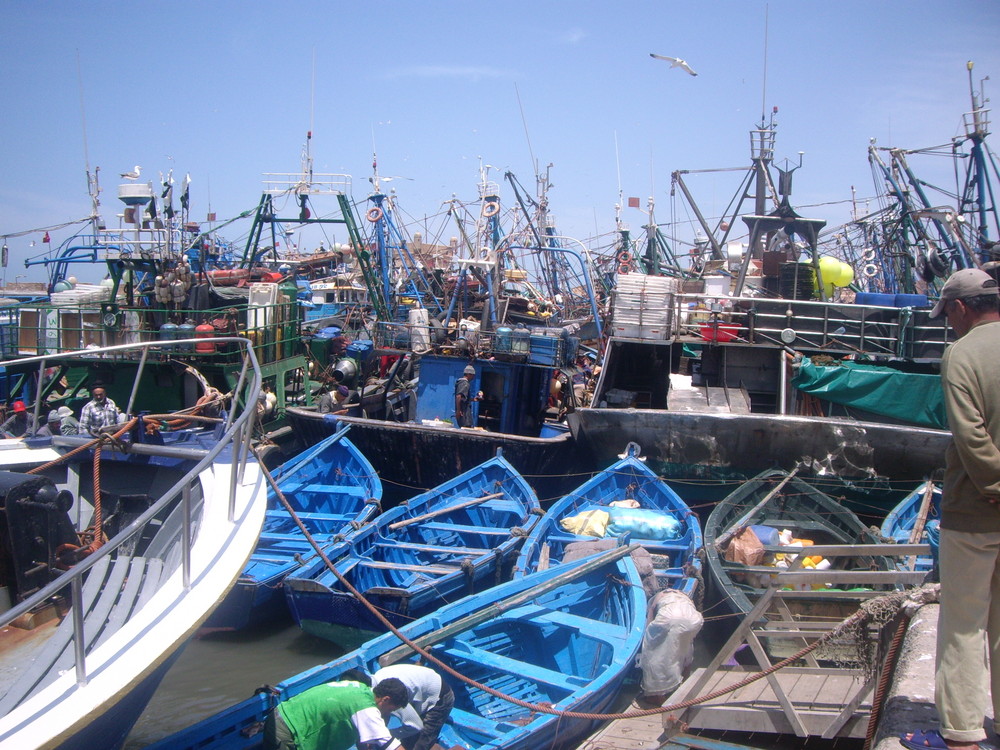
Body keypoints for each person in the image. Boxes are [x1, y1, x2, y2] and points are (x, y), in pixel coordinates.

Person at [903, 268, 1000, 750]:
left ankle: (962, 734)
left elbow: (970, 433)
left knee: (963, 623)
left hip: (974, 511)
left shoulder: (962, 354)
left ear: (961, 308)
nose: (949, 325)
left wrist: (996, 484)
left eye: (949, 315)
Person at [263, 677, 409, 750]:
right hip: (288, 729)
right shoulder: (366, 708)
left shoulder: (360, 688)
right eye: (390, 709)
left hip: (282, 714)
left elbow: (363, 738)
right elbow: (391, 746)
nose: (387, 714)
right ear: (385, 699)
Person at [371, 665, 454, 750]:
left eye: (391, 710)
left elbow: (415, 726)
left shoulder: (396, 696)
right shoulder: (379, 690)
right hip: (418, 694)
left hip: (439, 698)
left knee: (420, 746)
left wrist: (386, 735)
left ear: (386, 699)